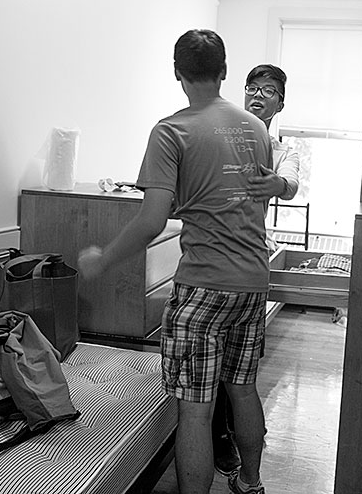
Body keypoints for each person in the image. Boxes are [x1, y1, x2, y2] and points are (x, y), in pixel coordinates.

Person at [78, 30, 272, 494]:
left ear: (177, 73)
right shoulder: (256, 127)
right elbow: (252, 201)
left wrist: (104, 258)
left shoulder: (171, 131)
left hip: (204, 285)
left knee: (196, 411)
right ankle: (250, 482)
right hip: (253, 281)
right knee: (242, 388)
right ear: (224, 71)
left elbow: (151, 221)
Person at [212, 64, 300, 476]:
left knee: (241, 364)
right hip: (211, 256)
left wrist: (277, 185)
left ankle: (233, 434)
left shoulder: (282, 151)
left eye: (269, 90)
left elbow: (290, 183)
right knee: (211, 360)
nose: (258, 95)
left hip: (247, 261)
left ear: (281, 103)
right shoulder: (221, 138)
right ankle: (217, 434)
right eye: (252, 87)